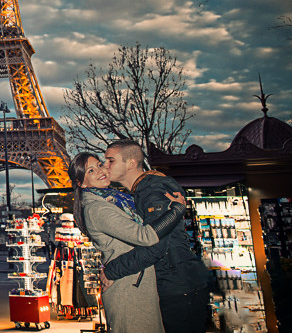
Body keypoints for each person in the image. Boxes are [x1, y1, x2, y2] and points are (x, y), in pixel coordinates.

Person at [100, 140, 212, 333]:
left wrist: (111, 270)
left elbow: (155, 246)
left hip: (177, 288)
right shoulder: (142, 192)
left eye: (111, 160)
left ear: (131, 163)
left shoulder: (153, 192)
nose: (105, 166)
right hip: (177, 285)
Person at [69, 152, 187, 333]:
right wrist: (177, 209)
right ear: (81, 183)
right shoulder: (97, 208)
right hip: (128, 291)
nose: (101, 171)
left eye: (100, 165)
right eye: (91, 171)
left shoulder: (114, 200)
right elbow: (145, 236)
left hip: (135, 283)